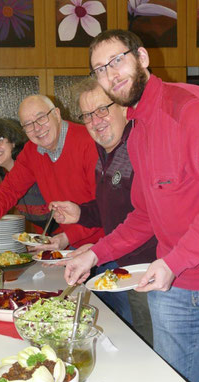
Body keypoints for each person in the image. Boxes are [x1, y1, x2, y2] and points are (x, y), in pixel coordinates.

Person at [63, 29, 199, 382]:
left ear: (143, 58)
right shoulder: (136, 134)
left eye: (117, 60)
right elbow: (143, 216)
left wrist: (172, 261)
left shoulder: (192, 109)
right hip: (172, 289)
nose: (110, 75)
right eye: (100, 69)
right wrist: (94, 253)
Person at [50, 78, 156, 341]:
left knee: (153, 348)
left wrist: (97, 251)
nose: (95, 121)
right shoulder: (105, 152)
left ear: (123, 107)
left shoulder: (140, 147)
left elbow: (145, 216)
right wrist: (80, 213)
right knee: (134, 340)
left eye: (102, 110)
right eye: (87, 115)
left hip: (152, 271)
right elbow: (111, 208)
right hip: (125, 267)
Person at [0, 94, 104, 250]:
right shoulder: (32, 151)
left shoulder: (88, 142)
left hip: (104, 241)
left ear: (57, 114)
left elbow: (104, 206)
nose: (36, 128)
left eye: (41, 118)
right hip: (71, 243)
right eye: (28, 124)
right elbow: (10, 188)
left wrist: (67, 237)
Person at [0, 117, 59, 235]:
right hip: (50, 241)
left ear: (13, 142)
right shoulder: (6, 177)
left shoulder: (36, 166)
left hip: (73, 238)